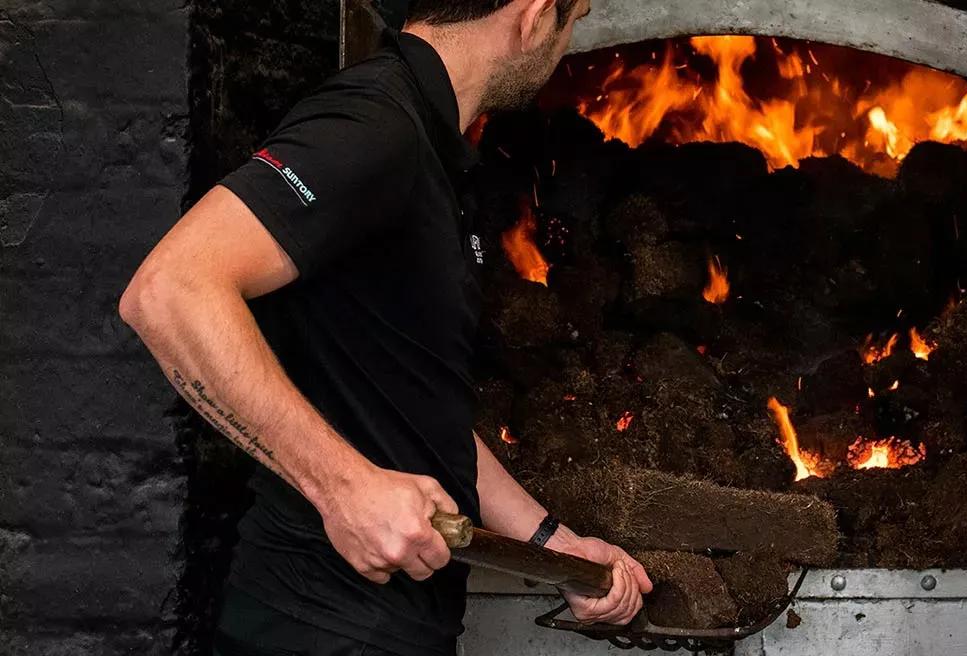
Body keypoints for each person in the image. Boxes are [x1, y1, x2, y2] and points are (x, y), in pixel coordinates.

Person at [120, 0, 652, 653]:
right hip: (317, 626)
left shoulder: (429, 141)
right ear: (535, 14)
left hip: (385, 628)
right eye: (575, 20)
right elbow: (170, 289)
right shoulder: (374, 124)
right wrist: (345, 487)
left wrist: (551, 543)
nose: (567, 43)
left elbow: (418, 403)